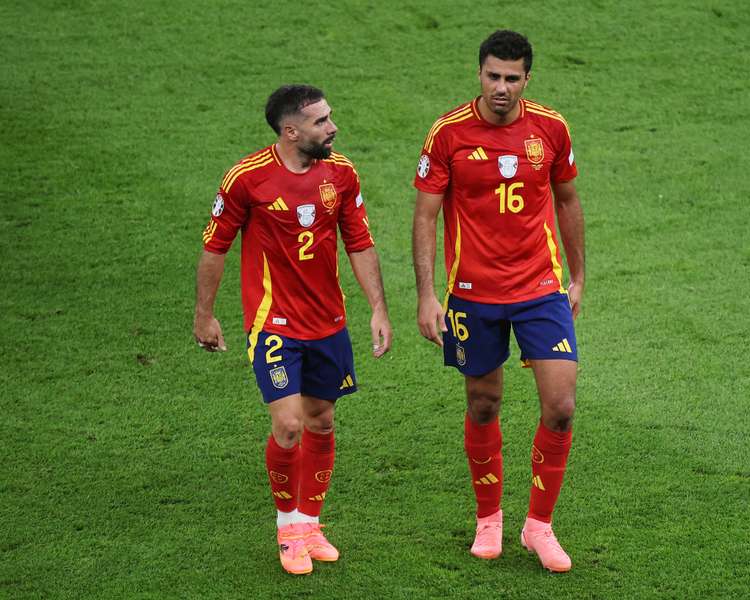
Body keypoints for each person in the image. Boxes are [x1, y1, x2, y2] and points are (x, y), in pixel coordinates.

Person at [193, 84, 392, 576]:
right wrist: (204, 313)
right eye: (321, 121)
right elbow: (215, 246)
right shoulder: (247, 179)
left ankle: (309, 524)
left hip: (328, 322)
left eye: (329, 117)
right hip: (273, 323)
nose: (333, 127)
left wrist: (378, 308)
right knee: (288, 424)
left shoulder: (341, 173)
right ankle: (287, 529)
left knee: (322, 421)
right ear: (291, 131)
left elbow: (359, 241)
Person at [412, 30, 585, 572]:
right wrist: (426, 295)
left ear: (527, 78)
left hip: (540, 290)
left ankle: (539, 527)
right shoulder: (448, 133)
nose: (502, 87)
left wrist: (579, 275)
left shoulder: (551, 128)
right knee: (484, 403)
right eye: (493, 76)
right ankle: (489, 518)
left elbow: (567, 200)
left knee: (560, 406)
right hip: (473, 294)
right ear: (479, 74)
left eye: (512, 78)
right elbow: (425, 216)